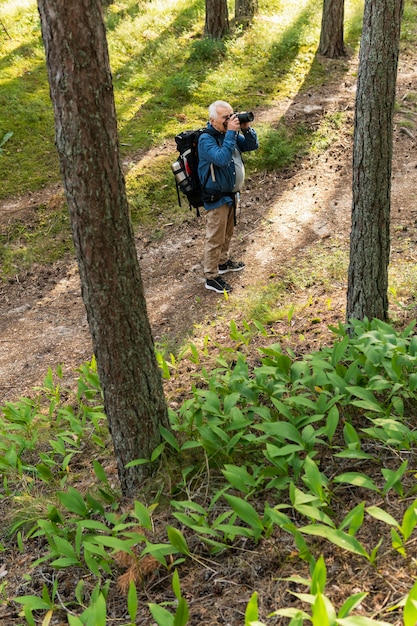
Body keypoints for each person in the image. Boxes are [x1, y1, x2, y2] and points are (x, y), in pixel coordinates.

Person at [198, 100, 259, 293]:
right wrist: (232, 132)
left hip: (232, 194)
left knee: (228, 232)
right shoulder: (206, 139)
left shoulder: (228, 134)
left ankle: (223, 263)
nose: (230, 119)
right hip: (216, 197)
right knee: (215, 237)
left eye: (232, 115)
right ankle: (211, 276)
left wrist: (246, 128)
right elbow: (222, 159)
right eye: (226, 117)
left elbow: (251, 146)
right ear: (213, 120)